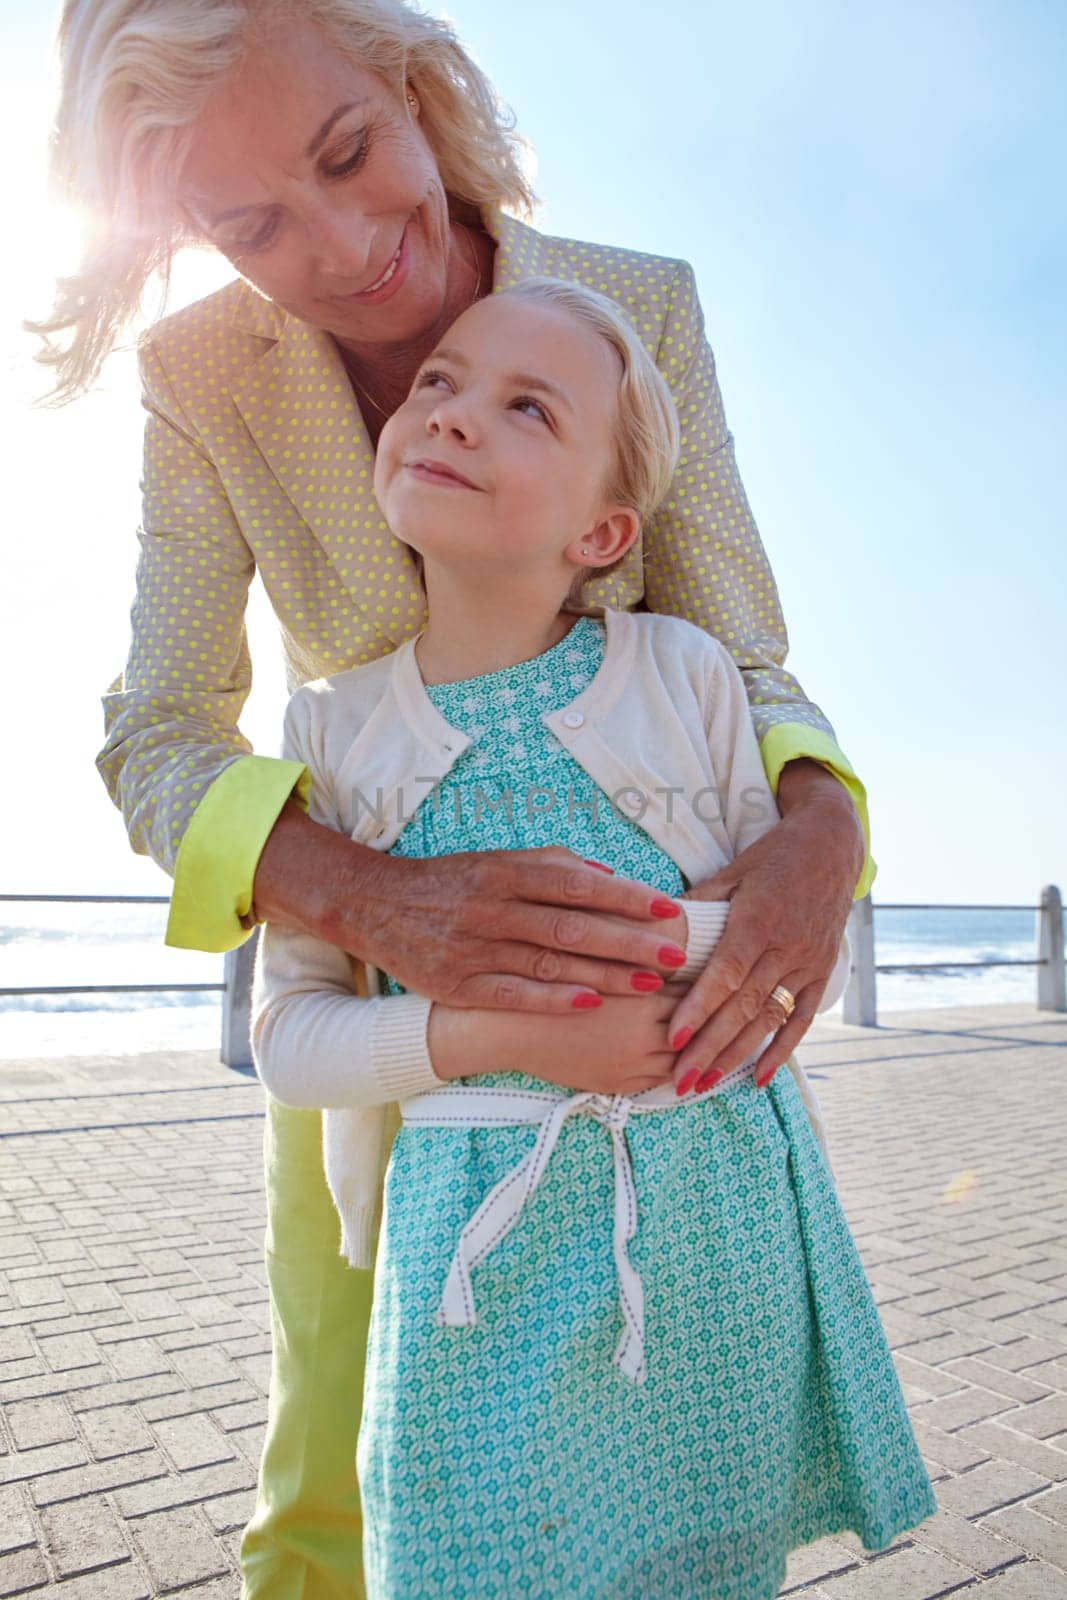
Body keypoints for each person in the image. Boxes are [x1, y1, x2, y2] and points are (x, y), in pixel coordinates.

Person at [34, 3, 875, 1593]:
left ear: (420, 90)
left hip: (661, 1090)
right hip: (383, 1039)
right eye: (248, 223)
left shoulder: (640, 306)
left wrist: (823, 834)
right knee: (331, 1489)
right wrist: (370, 899)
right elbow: (158, 727)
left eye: (353, 155)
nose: (348, 248)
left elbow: (747, 654)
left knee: (684, 1496)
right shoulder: (198, 379)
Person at [253, 277, 935, 1600]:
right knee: (462, 1566)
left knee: (697, 1569)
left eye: (525, 407)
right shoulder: (330, 733)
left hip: (707, 1224)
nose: (451, 417)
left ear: (604, 528)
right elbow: (290, 1040)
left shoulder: (681, 674)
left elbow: (765, 936)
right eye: (440, 382)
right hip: (469, 1271)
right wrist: (503, 1034)